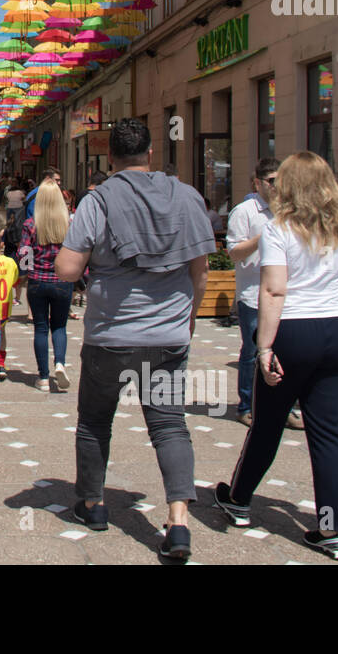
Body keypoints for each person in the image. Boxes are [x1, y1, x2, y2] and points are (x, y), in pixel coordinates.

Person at [56, 118, 214, 560]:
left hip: (111, 332)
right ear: (150, 152)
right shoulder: (187, 196)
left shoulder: (98, 200)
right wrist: (189, 318)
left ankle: (93, 503)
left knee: (95, 421)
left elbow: (68, 270)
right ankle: (179, 521)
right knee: (169, 424)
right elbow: (200, 271)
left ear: (111, 157)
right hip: (168, 334)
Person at [215, 152, 338, 562]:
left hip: (292, 330)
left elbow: (274, 290)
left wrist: (264, 346)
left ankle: (240, 499)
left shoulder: (279, 228)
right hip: (333, 326)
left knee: (268, 422)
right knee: (329, 433)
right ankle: (333, 528)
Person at [226, 158, 303, 429]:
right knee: (252, 353)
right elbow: (233, 252)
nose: (276, 186)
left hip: (284, 294)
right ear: (257, 182)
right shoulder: (245, 212)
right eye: (271, 180)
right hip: (253, 294)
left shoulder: (289, 211)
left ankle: (285, 407)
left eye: (280, 180)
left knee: (286, 352)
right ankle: (247, 406)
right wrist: (263, 238)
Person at [19, 181, 74, 391]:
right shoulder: (68, 223)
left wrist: (26, 272)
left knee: (41, 328)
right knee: (59, 326)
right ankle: (59, 362)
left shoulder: (31, 224)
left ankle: (43, 376)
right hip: (62, 280)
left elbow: (24, 253)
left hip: (38, 280)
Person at [0, 232, 18, 383]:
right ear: (2, 245)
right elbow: (15, 281)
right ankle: (1, 363)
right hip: (4, 306)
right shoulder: (10, 262)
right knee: (2, 332)